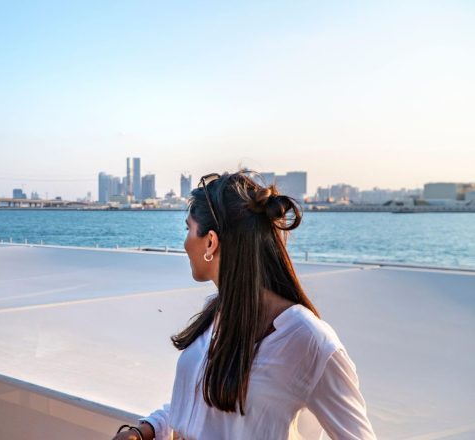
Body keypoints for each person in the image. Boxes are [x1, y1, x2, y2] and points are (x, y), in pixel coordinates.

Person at [113, 170, 376, 440]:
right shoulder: (217, 313)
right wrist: (147, 429)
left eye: (188, 229)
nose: (184, 243)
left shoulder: (308, 340)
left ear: (211, 242)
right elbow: (200, 407)